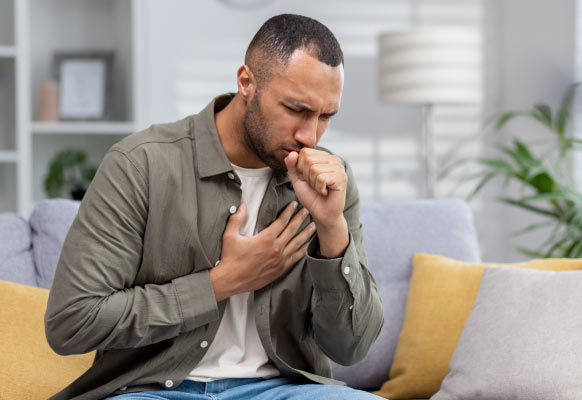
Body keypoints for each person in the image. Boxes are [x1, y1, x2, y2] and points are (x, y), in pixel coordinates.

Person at [44, 14, 384, 400]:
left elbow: (351, 349)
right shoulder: (141, 164)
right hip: (151, 389)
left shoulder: (331, 182)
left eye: (325, 116)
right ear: (246, 82)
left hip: (283, 390)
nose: (309, 136)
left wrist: (332, 229)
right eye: (295, 109)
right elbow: (72, 322)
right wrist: (222, 283)